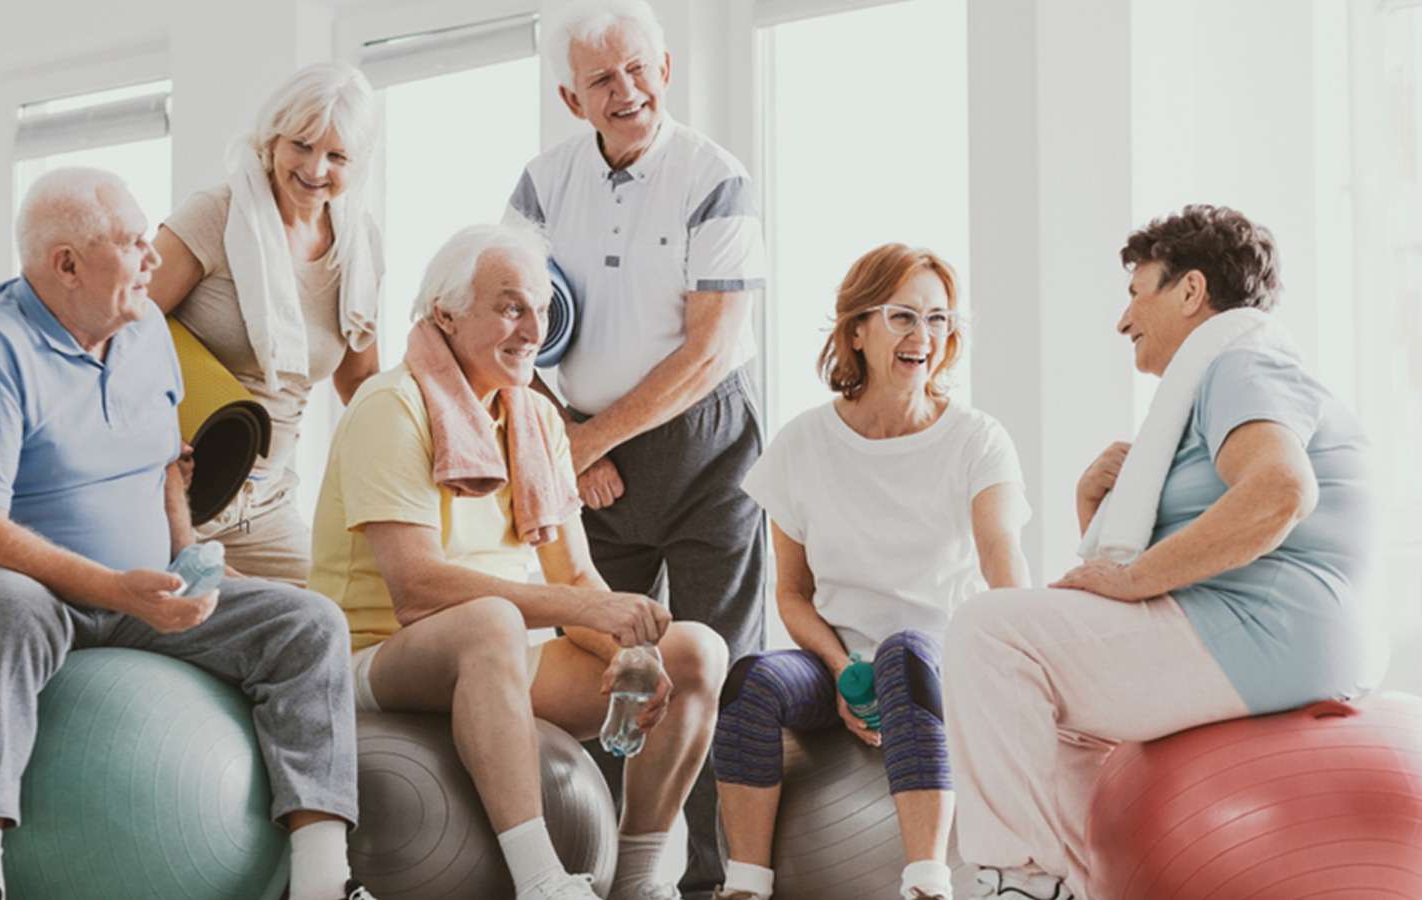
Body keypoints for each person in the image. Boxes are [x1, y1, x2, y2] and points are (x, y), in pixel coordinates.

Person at [0, 167, 372, 900]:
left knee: (307, 622)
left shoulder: (146, 329)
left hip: (129, 590)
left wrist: (188, 559)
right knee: (9, 604)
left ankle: (321, 881)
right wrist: (117, 587)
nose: (153, 258)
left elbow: (162, 469)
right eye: (133, 243)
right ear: (67, 266)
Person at [946, 204, 1378, 900]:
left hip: (1271, 629)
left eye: (1136, 291)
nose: (1124, 321)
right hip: (1270, 630)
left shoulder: (1242, 361)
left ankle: (1019, 881)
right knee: (1059, 723)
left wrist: (1137, 576)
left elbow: (1279, 492)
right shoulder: (1221, 380)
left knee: (987, 630)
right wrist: (1096, 514)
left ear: (1190, 291)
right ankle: (1090, 885)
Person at [309, 223, 728, 900]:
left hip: (493, 656)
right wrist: (584, 613)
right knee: (492, 622)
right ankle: (540, 880)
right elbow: (417, 588)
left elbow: (574, 576)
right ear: (445, 314)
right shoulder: (391, 406)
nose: (534, 328)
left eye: (541, 308)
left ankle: (641, 881)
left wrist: (619, 645)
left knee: (693, 653)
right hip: (375, 657)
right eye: (510, 307)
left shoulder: (533, 419)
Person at [506, 1, 768, 890]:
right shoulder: (542, 184)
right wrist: (572, 443)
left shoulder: (713, 175)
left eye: (639, 70)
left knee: (716, 673)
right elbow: (509, 324)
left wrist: (584, 443)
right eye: (602, 80)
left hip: (704, 449)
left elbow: (710, 349)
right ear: (571, 99)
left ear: (666, 70)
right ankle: (607, 873)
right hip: (591, 453)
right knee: (611, 674)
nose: (627, 92)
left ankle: (710, 883)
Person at [708, 245, 1031, 900]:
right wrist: (838, 671)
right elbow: (793, 595)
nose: (924, 337)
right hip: (840, 665)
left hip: (938, 668)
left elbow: (1004, 567)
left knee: (904, 655)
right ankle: (744, 885)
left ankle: (927, 884)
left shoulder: (977, 440)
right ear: (856, 329)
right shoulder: (802, 444)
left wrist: (1023, 668)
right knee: (750, 681)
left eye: (939, 319)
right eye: (903, 316)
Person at [148, 62, 382, 585]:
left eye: (336, 155)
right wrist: (158, 445)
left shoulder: (358, 246)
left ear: (357, 163)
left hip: (268, 502)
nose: (316, 168)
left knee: (333, 622)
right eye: (301, 144)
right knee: (271, 625)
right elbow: (118, 328)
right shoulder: (214, 215)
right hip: (178, 493)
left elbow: (361, 382)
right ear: (272, 138)